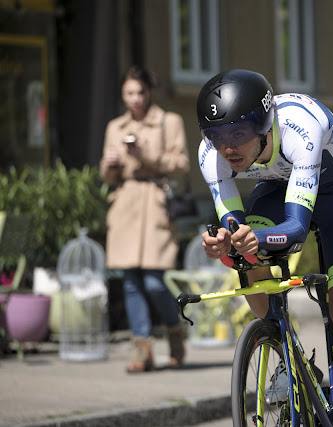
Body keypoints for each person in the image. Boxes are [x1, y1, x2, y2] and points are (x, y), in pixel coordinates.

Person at [198, 69, 333, 426]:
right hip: (276, 192)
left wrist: (253, 239)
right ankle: (284, 354)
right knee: (243, 252)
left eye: (238, 134)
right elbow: (233, 227)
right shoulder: (210, 156)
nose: (227, 147)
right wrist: (225, 243)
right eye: (215, 136)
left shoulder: (301, 127)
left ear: (263, 125)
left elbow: (296, 229)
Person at [99, 66, 190, 373]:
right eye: (129, 93)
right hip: (125, 205)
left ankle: (175, 331)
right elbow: (107, 175)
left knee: (153, 281)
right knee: (131, 282)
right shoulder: (114, 126)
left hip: (155, 205)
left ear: (149, 93)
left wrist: (144, 155)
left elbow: (181, 163)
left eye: (140, 92)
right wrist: (110, 164)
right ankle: (142, 350)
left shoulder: (169, 121)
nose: (135, 99)